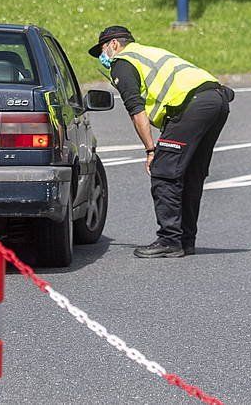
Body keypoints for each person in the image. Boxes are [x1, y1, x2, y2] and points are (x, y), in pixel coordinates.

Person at [89, 26, 232, 258]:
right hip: (216, 100)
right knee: (190, 173)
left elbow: (136, 110)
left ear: (114, 44)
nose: (102, 57)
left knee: (164, 171)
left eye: (103, 49)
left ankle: (169, 239)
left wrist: (150, 150)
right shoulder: (149, 52)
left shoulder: (123, 63)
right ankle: (186, 240)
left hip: (192, 106)